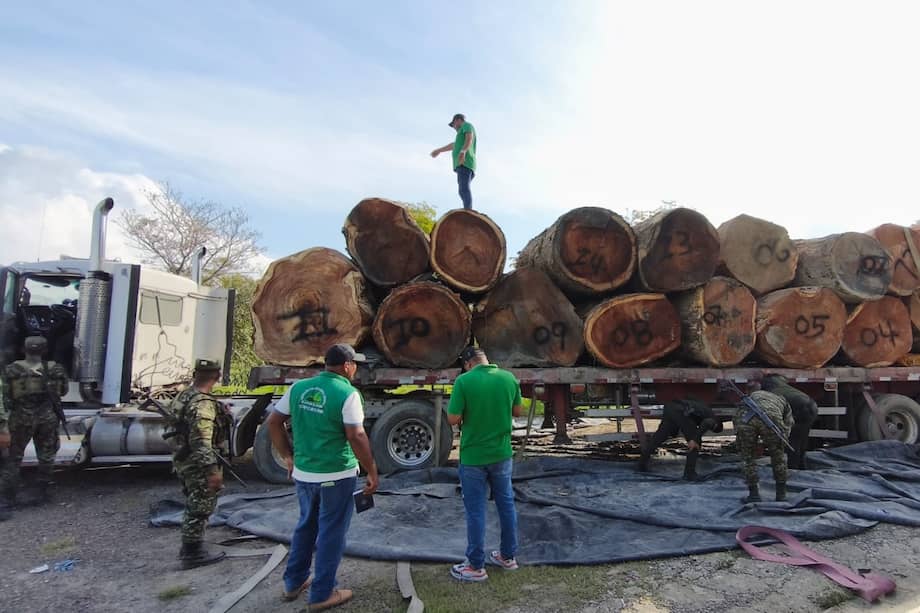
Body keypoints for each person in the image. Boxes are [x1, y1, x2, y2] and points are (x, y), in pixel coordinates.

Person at [267, 343, 379, 611]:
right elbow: (356, 435)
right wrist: (372, 470)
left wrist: (288, 457)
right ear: (348, 366)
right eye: (356, 366)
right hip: (336, 475)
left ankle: (293, 582)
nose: (356, 371)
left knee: (306, 526)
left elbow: (273, 422)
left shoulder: (298, 388)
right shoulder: (347, 393)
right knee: (332, 532)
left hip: (304, 475)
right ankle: (322, 594)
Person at [447, 346, 524, 582]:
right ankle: (508, 557)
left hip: (473, 457)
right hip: (502, 454)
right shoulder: (509, 378)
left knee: (476, 510)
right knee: (506, 504)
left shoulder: (464, 381)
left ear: (468, 363)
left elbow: (453, 418)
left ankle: (475, 566)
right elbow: (518, 411)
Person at [166, 358, 232, 570]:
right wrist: (212, 471)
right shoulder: (202, 404)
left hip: (184, 459)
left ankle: (191, 547)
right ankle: (192, 552)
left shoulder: (185, 395)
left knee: (195, 501)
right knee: (200, 505)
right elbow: (202, 442)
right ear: (217, 376)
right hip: (197, 463)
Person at [0, 336, 68, 519]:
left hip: (20, 418)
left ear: (24, 349)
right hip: (47, 417)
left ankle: (6, 499)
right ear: (45, 351)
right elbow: (63, 391)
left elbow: (6, 396)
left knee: (13, 459)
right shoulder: (56, 368)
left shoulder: (11, 370)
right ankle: (41, 492)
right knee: (46, 456)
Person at [734, 384, 794, 503]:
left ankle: (754, 494)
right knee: (778, 457)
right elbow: (789, 421)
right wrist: (783, 439)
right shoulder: (779, 398)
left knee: (748, 458)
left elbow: (736, 419)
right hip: (773, 418)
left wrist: (740, 443)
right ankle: (781, 495)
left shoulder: (746, 399)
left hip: (746, 419)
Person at [637, 398, 723, 481]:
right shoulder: (713, 420)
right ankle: (690, 473)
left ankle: (641, 464)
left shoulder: (703, 407)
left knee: (659, 437)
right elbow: (707, 423)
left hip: (670, 407)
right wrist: (695, 439)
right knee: (695, 441)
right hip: (681, 411)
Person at [762, 374, 818, 470]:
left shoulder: (769, 393)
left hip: (798, 408)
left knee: (793, 440)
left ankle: (793, 468)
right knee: (802, 438)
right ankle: (802, 465)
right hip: (812, 405)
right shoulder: (785, 388)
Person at [430, 113, 477, 210]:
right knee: (462, 189)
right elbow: (453, 145)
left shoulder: (467, 126)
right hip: (462, 165)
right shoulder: (460, 135)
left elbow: (469, 138)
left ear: (458, 120)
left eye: (453, 125)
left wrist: (463, 151)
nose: (454, 127)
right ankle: (468, 209)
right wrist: (439, 150)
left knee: (463, 189)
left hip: (465, 162)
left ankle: (468, 211)